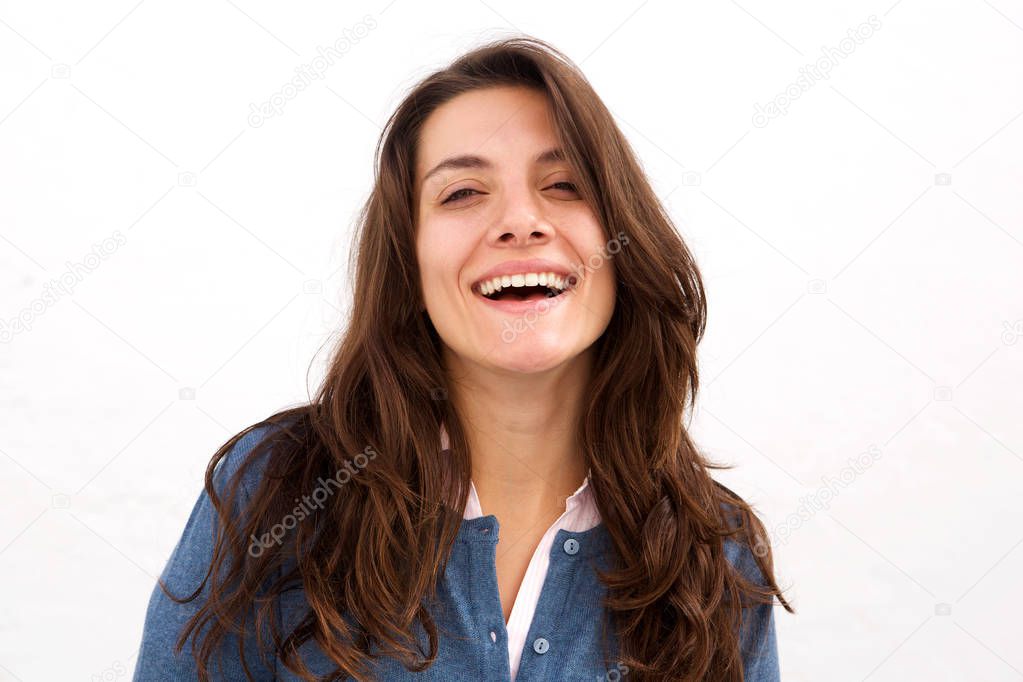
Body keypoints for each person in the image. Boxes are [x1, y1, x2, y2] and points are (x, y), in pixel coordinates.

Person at [132, 35, 794, 681]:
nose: (519, 220)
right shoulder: (277, 491)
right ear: (409, 263)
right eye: (461, 193)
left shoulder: (714, 550)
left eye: (564, 184)